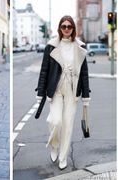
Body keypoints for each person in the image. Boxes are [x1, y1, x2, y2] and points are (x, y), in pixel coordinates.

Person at [36, 15, 90, 170]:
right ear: (59, 28)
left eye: (69, 26)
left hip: (73, 90)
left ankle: (63, 156)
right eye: (63, 26)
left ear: (73, 29)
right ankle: (54, 145)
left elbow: (84, 73)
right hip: (56, 89)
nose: (66, 29)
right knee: (55, 121)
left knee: (67, 126)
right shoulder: (51, 46)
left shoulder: (80, 47)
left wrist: (86, 96)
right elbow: (44, 71)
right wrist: (40, 92)